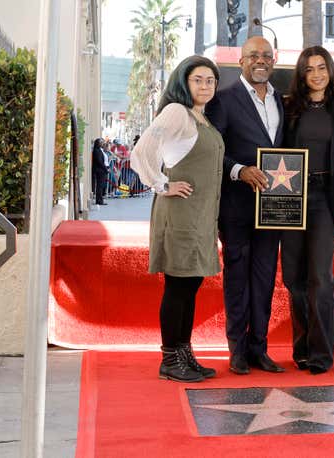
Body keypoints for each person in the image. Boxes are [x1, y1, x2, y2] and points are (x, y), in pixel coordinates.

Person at [130, 55, 223, 382]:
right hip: (181, 214)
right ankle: (170, 358)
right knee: (179, 285)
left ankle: (184, 352)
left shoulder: (200, 118)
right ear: (183, 82)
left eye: (210, 80)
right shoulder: (176, 113)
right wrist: (162, 184)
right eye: (198, 79)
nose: (205, 85)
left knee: (191, 284)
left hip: (200, 217)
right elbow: (140, 152)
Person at [206, 36, 285, 375]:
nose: (261, 60)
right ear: (241, 61)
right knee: (238, 277)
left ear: (274, 60)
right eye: (254, 55)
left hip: (273, 207)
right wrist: (239, 170)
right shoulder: (223, 100)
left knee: (265, 279)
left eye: (266, 55)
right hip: (237, 207)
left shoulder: (281, 100)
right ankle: (237, 350)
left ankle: (259, 349)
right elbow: (213, 149)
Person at [280, 46, 334, 374]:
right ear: (301, 73)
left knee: (321, 278)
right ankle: (301, 349)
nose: (316, 74)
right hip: (290, 197)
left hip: (326, 198)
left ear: (330, 71)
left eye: (321, 67)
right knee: (293, 278)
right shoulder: (288, 107)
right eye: (309, 68)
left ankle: (322, 353)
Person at [91, 138, 109, 205]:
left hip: (101, 170)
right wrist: (105, 169)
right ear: (97, 143)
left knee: (100, 186)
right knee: (99, 186)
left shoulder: (99, 150)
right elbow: (100, 162)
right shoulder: (96, 151)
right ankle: (99, 201)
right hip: (99, 171)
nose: (102, 143)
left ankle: (100, 200)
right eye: (101, 142)